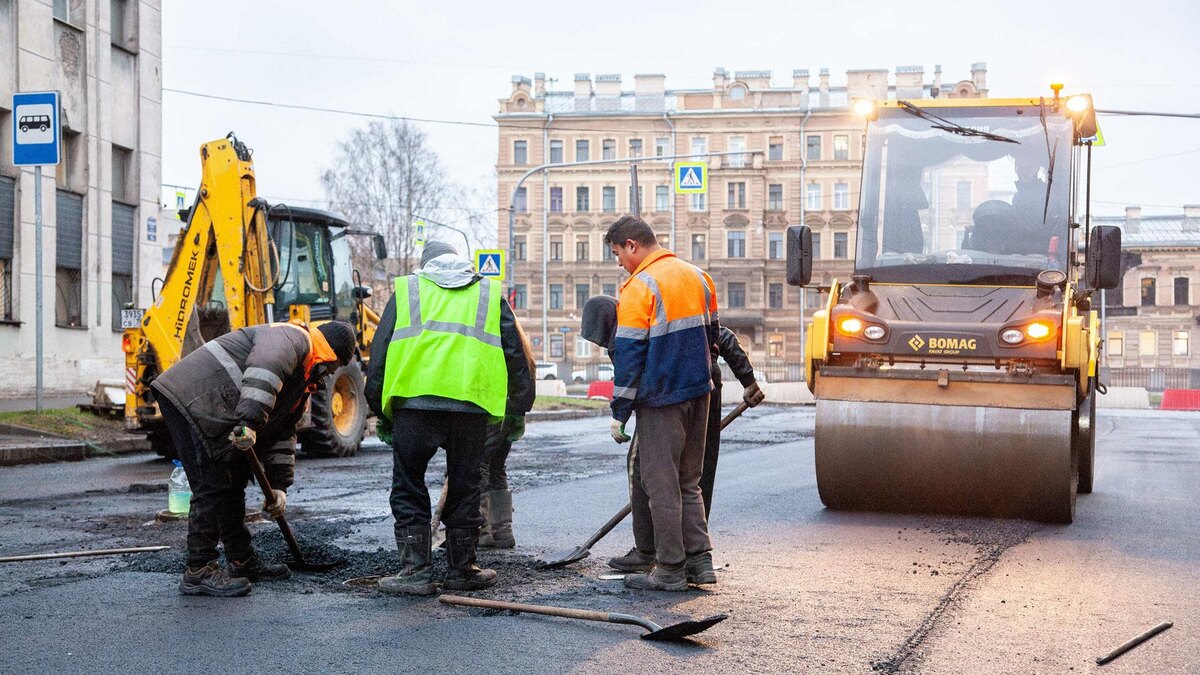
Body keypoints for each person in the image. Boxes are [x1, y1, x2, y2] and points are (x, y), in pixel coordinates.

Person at [366, 241, 534, 596]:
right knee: (465, 484)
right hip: (470, 407)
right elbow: (515, 354)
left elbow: (379, 354)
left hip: (415, 406)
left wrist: (379, 409)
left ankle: (415, 571)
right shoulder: (488, 293)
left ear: (426, 265)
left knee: (409, 483)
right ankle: (462, 569)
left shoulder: (408, 289)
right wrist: (519, 407)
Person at [151, 320, 357, 597]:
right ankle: (198, 569)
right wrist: (249, 421)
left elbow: (284, 431)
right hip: (193, 398)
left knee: (233, 479)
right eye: (335, 366)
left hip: (216, 403)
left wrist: (279, 486)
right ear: (333, 355)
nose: (332, 373)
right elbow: (265, 366)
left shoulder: (304, 379)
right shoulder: (295, 339)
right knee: (211, 483)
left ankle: (241, 560)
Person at [582, 296, 765, 575]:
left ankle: (648, 551)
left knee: (645, 469)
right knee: (694, 473)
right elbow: (722, 336)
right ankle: (696, 555)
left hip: (667, 394)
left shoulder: (630, 330)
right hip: (705, 384)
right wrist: (748, 381)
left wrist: (620, 415)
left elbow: (630, 378)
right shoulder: (656, 315)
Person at [604, 216, 719, 592]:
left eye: (618, 253)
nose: (619, 262)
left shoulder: (640, 287)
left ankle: (670, 567)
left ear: (632, 245)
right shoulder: (699, 277)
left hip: (662, 399)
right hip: (700, 392)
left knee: (661, 483)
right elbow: (713, 336)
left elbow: (630, 356)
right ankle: (700, 563)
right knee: (689, 480)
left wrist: (619, 413)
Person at [477, 318, 536, 549]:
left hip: (491, 408)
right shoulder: (518, 338)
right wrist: (519, 409)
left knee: (478, 464)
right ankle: (502, 531)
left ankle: (482, 530)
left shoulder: (492, 336)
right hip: (510, 410)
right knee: (496, 466)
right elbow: (526, 371)